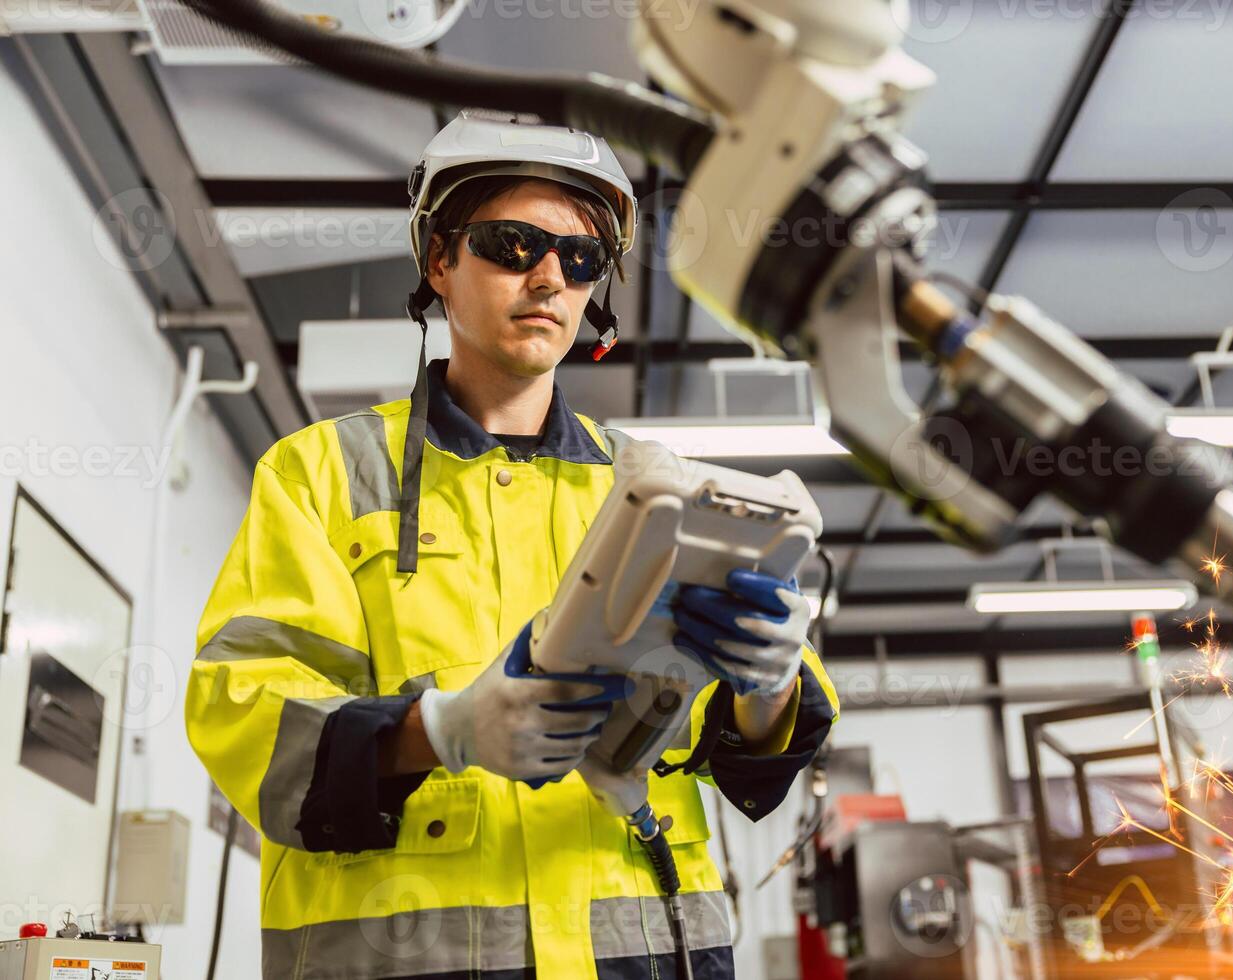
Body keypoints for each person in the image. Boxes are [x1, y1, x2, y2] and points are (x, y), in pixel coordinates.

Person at [185, 110, 839, 980]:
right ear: (439, 263)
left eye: (579, 259)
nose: (549, 277)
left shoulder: (657, 487)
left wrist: (769, 684)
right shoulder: (321, 474)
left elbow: (752, 747)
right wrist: (439, 731)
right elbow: (242, 714)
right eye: (510, 242)